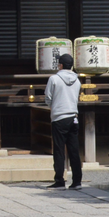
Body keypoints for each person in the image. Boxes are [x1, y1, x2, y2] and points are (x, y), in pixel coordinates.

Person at [42, 53, 82, 190]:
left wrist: (54, 106)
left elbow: (48, 97)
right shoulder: (77, 80)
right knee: (74, 150)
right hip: (73, 117)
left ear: (60, 65)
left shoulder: (54, 79)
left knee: (59, 150)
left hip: (59, 117)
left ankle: (59, 180)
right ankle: (77, 181)